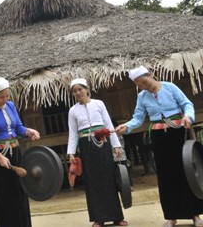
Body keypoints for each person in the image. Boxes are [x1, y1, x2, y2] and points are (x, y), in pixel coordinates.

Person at [115, 65, 203, 227]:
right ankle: (171, 215)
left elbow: (187, 104)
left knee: (186, 172)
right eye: (139, 85)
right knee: (165, 175)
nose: (143, 87)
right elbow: (138, 118)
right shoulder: (142, 97)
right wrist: (127, 126)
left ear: (150, 75)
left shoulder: (170, 87)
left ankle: (195, 214)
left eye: (144, 82)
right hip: (158, 136)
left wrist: (188, 116)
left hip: (178, 132)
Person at [0, 77, 40, 227]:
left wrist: (29, 131)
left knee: (19, 193)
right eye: (1, 97)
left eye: (7, 96)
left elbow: (18, 127)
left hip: (15, 153)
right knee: (3, 196)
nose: (5, 99)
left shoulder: (10, 106)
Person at [67, 78, 128, 227]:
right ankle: (98, 218)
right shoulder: (73, 110)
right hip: (86, 147)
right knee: (92, 182)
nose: (78, 93)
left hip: (103, 144)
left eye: (80, 89)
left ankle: (117, 216)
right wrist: (71, 152)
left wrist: (116, 146)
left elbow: (108, 124)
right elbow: (73, 133)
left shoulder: (99, 104)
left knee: (109, 178)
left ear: (87, 89)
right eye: (75, 91)